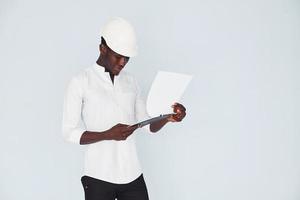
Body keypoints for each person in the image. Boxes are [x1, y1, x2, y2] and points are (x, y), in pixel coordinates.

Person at [62, 17, 186, 200]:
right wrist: (107, 134)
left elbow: (147, 125)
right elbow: (68, 132)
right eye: (118, 56)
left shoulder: (131, 81)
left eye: (126, 57)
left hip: (132, 174)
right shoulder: (81, 82)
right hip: (98, 176)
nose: (123, 62)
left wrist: (168, 117)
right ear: (102, 48)